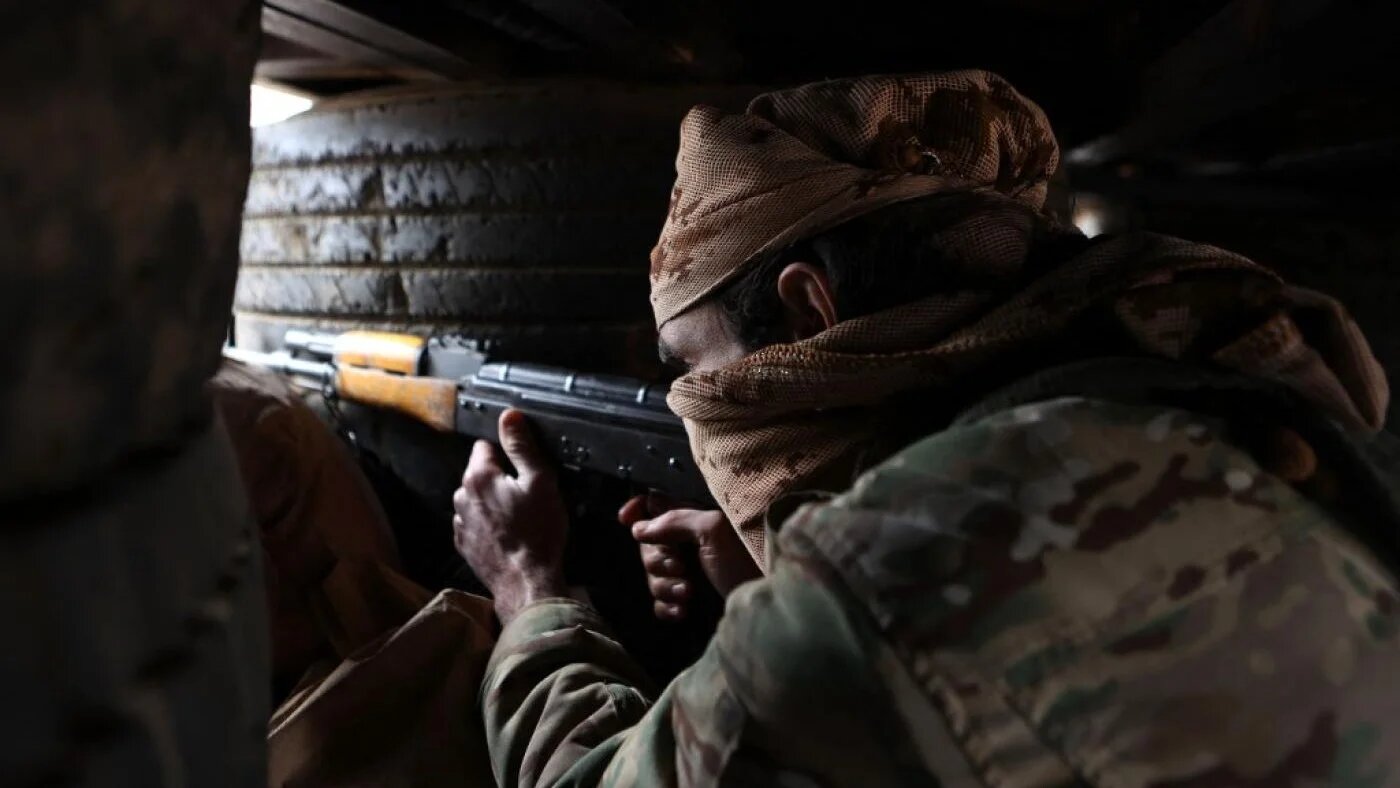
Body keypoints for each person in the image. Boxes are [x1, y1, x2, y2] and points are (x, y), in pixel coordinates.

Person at [450, 70, 1400, 785]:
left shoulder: (895, 560)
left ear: (809, 313)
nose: (688, 403)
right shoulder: (1194, 386)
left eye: (691, 367)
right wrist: (779, 595)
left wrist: (530, 594)